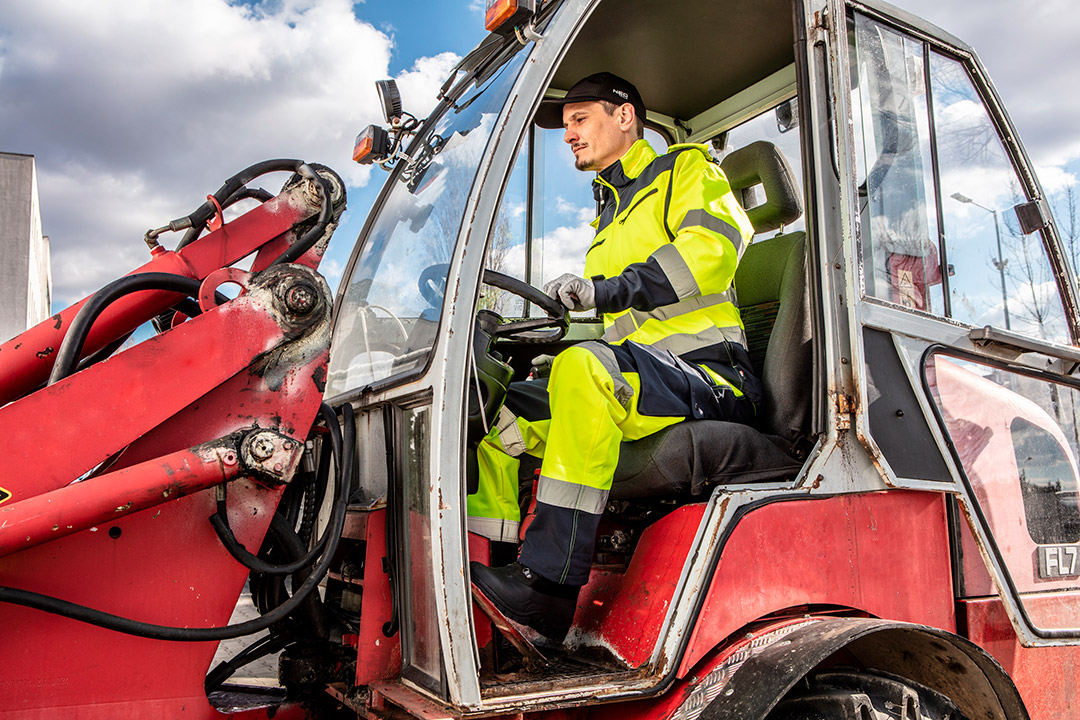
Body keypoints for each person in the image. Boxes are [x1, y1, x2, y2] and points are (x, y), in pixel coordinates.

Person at [469, 72, 761, 644]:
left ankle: (548, 588)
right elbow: (616, 323)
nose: (568, 135)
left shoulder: (685, 170)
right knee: (502, 412)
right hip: (646, 381)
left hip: (711, 377)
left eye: (579, 119)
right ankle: (489, 569)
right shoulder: (608, 218)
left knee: (586, 369)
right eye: (566, 125)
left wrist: (604, 293)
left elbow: (711, 252)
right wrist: (547, 351)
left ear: (624, 115)